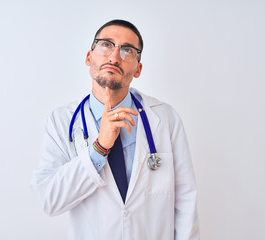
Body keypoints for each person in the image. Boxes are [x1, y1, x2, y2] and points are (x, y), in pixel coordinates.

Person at [31, 19, 200, 240]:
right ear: (88, 57)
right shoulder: (61, 121)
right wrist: (99, 149)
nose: (114, 56)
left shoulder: (165, 118)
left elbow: (185, 200)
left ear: (138, 69)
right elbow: (50, 199)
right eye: (106, 44)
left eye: (127, 50)